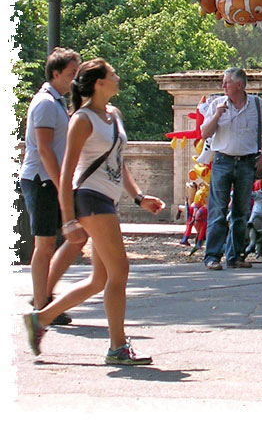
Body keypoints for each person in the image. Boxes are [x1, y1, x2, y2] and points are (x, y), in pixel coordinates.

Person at [23, 58, 166, 365]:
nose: (117, 77)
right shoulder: (82, 119)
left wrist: (139, 197)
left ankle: (41, 318)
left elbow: (118, 161)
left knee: (99, 280)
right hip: (91, 200)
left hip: (107, 200)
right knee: (120, 271)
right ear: (99, 83)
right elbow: (66, 174)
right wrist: (69, 220)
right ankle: (117, 346)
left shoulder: (113, 114)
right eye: (112, 74)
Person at [19, 47, 86, 326]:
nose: (75, 79)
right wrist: (62, 186)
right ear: (56, 73)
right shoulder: (46, 103)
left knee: (70, 237)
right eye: (72, 73)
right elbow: (45, 149)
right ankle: (42, 303)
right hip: (42, 180)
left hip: (50, 180)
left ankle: (43, 297)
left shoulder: (57, 101)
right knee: (45, 243)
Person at [200, 68, 262, 270]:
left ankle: (235, 256)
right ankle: (212, 256)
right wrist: (216, 116)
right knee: (218, 210)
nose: (223, 86)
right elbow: (204, 133)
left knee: (241, 211)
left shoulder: (257, 106)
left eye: (226, 82)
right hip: (222, 161)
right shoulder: (217, 104)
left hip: (247, 162)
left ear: (239, 85)